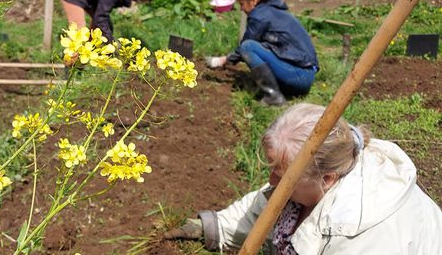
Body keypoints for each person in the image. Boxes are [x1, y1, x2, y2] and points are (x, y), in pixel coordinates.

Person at [164, 103, 442, 254]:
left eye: (282, 176)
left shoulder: (364, 235)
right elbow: (265, 208)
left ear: (328, 178)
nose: (272, 180)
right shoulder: (314, 177)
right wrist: (209, 227)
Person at [206, 0, 318, 106]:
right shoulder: (273, 10)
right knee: (256, 47)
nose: (241, 9)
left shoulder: (259, 16)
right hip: (306, 74)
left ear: (253, 0)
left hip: (299, 77)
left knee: (248, 47)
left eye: (242, 4)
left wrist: (223, 60)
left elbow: (246, 45)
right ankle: (279, 89)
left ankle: (274, 97)